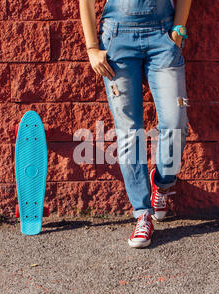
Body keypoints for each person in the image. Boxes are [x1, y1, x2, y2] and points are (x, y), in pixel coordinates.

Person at [79, 0, 191, 248]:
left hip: (163, 36)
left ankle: (161, 184)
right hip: (117, 40)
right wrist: (91, 48)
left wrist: (178, 30)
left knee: (176, 122)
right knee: (129, 131)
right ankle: (142, 213)